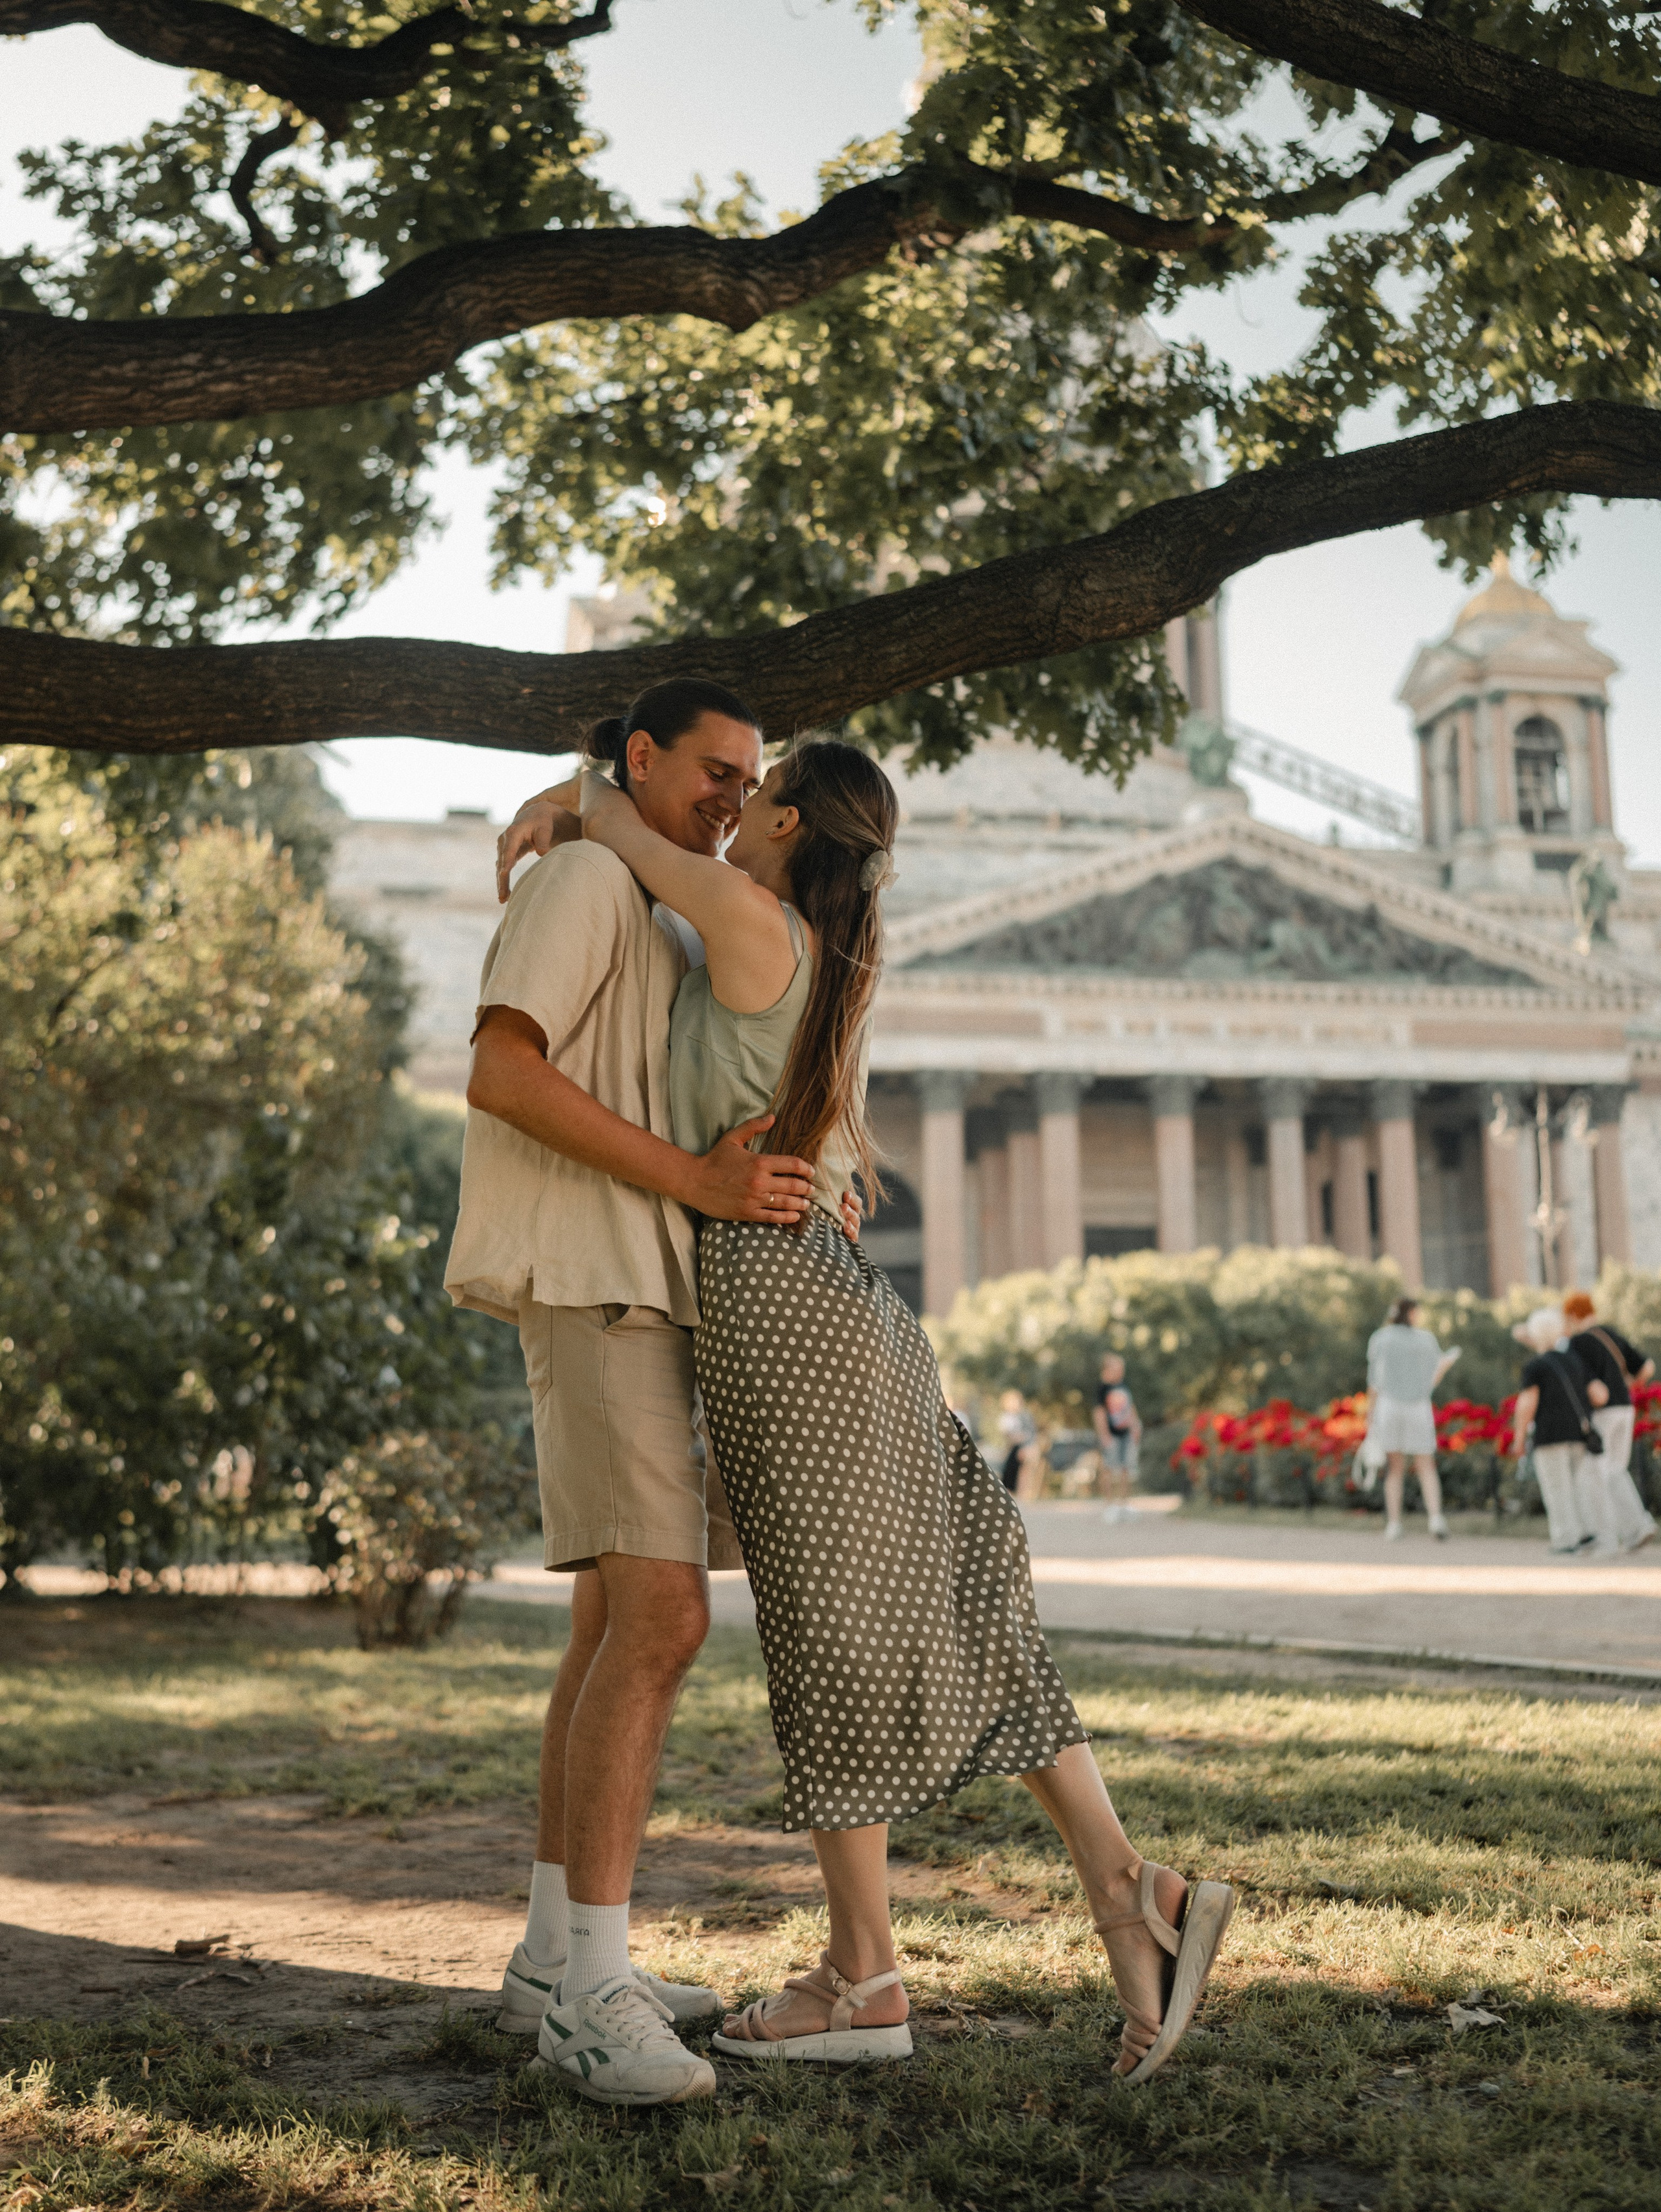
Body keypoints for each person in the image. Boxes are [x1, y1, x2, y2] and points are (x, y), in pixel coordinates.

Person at [517, 737, 1235, 2087]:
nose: (728, 809)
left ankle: (868, 1975)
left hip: (782, 1316)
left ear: (786, 820)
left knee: (824, 1632)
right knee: (957, 1605)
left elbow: (617, 823)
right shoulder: (829, 951)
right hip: (838, 1311)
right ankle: (1125, 1896)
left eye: (751, 789)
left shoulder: (741, 905)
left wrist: (566, 788)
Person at [448, 678, 856, 2110]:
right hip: (592, 1271)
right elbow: (499, 1071)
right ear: (639, 757)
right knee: (668, 1618)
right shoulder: (578, 881)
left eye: (751, 781)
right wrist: (693, 1179)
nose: (734, 797)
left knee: (614, 1621)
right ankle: (591, 1993)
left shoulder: (640, 883)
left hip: (647, 1276)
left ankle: (559, 1959)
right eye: (711, 771)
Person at [1510, 1306, 1612, 1554]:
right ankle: (1587, 1533)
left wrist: (1519, 1438)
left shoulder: (1536, 1367)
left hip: (1549, 1435)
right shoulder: (1575, 1361)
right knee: (1579, 1486)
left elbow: (1527, 1405)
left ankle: (1566, 1540)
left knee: (1557, 1488)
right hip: (1579, 1434)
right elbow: (1600, 1395)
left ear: (1535, 1335)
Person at [1562, 1290, 1657, 1552]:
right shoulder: (1610, 1333)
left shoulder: (1577, 1343)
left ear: (1572, 1315)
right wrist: (1627, 1385)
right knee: (1615, 1469)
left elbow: (1594, 1390)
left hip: (1603, 1414)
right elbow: (1647, 1367)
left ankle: (1605, 1537)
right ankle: (1638, 1527)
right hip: (1625, 1408)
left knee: (1593, 1473)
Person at [1364, 1297, 1459, 1541]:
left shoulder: (1381, 1338)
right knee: (1426, 1465)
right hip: (1418, 1406)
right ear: (1413, 1313)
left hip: (1390, 1406)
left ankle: (1394, 1523)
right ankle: (1436, 1518)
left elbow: (1374, 1381)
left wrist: (1370, 1415)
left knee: (1395, 1468)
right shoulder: (1426, 1339)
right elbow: (1434, 1376)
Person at [1093, 1353, 1141, 1515]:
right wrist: (1105, 1435)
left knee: (1126, 1467)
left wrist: (1135, 1426)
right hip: (1111, 1435)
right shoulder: (1103, 1389)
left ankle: (1124, 1503)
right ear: (1108, 1369)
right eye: (1117, 1368)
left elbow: (1130, 1408)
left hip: (1126, 1433)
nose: (1121, 1372)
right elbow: (1099, 1413)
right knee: (1109, 1468)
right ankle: (1109, 1504)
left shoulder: (1123, 1386)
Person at [996, 1388, 1036, 1493]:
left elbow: (1030, 1434)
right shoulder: (1006, 1417)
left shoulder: (1025, 1416)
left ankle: (1023, 1491)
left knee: (1023, 1460)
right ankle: (1010, 1490)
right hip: (1011, 1448)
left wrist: (1025, 1444)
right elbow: (1008, 1436)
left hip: (1024, 1447)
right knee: (1011, 1464)